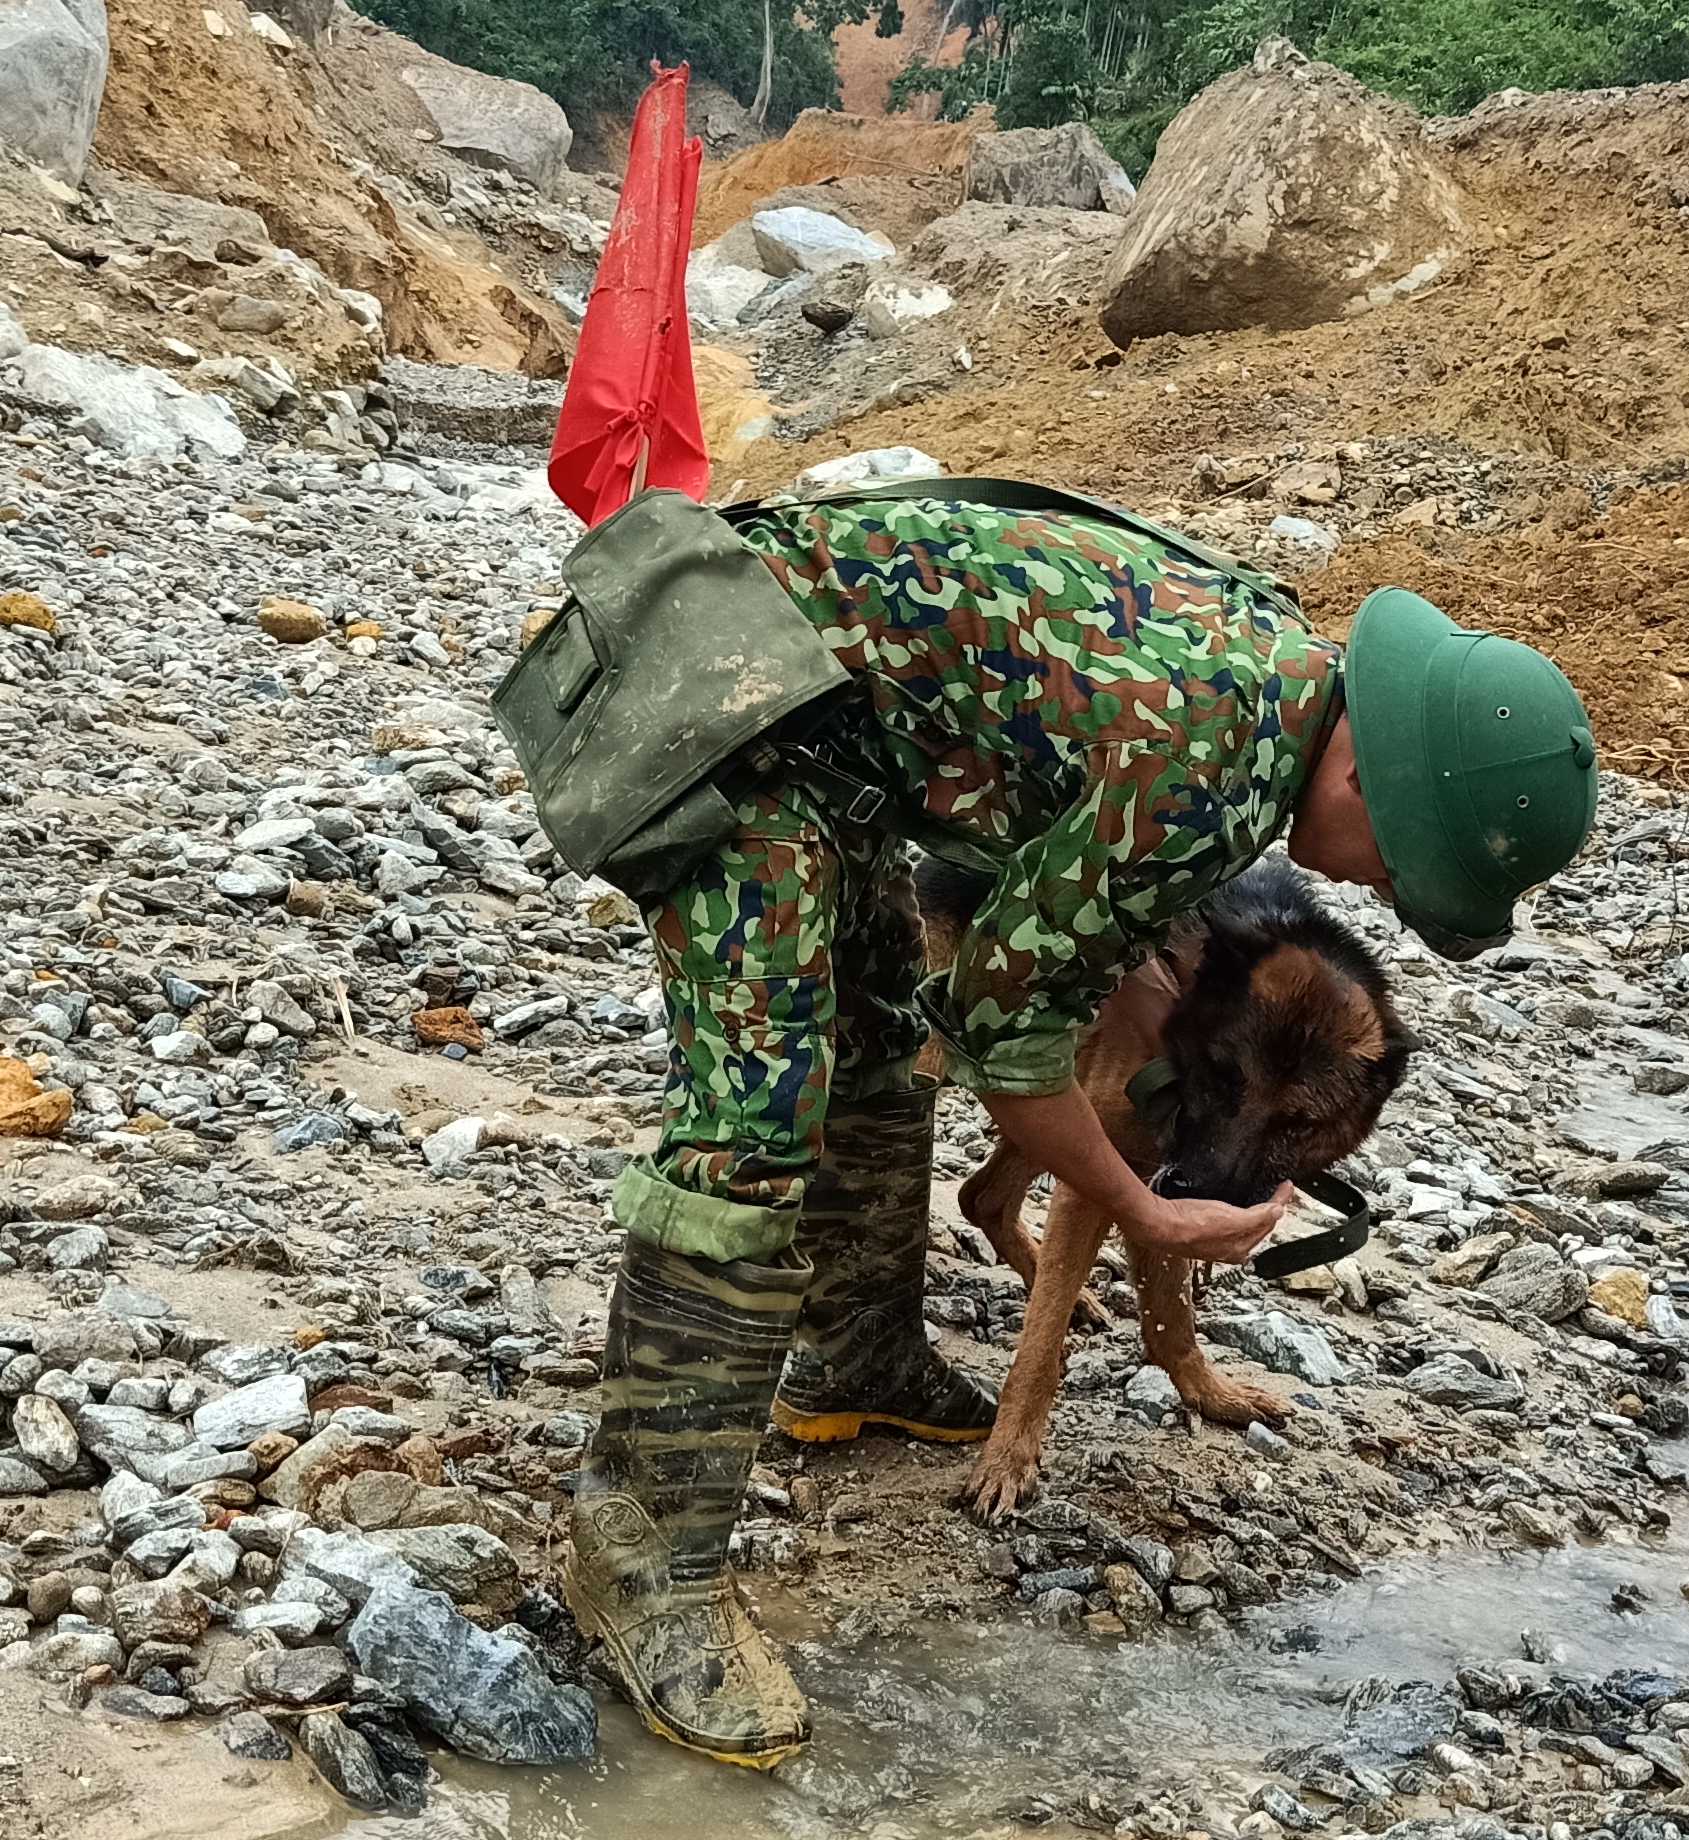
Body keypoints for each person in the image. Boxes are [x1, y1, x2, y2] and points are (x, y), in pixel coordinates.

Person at [560, 488, 1598, 1767]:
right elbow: (1005, 1036)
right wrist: (1145, 1202)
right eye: (1402, 863)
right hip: (709, 691)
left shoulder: (1275, 672)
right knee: (752, 1122)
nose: (1377, 889)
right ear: (1369, 770)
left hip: (812, 726)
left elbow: (1024, 887)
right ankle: (641, 1557)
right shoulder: (1206, 770)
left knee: (882, 1029)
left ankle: (856, 1363)